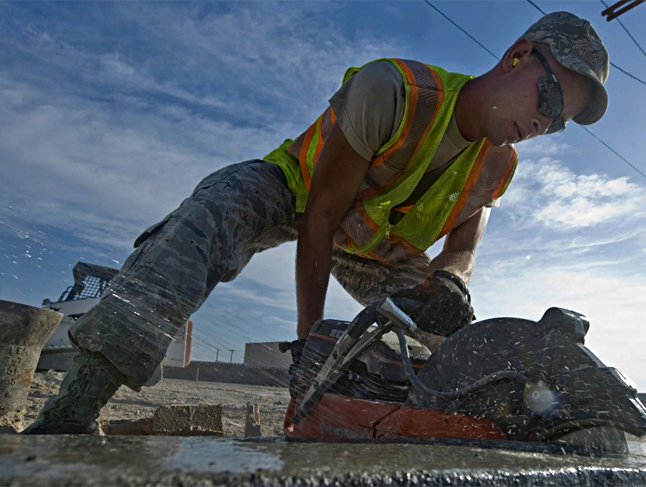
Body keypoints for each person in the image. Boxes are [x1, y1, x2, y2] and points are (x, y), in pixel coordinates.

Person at [23, 11, 610, 434]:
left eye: (558, 125)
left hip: (376, 245)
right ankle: (73, 407)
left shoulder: (500, 164)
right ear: (517, 56)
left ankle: (440, 426)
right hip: (297, 194)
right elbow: (320, 219)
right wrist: (308, 348)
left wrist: (452, 280)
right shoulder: (395, 91)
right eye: (550, 102)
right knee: (207, 219)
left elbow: (464, 244)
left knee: (454, 334)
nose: (544, 125)